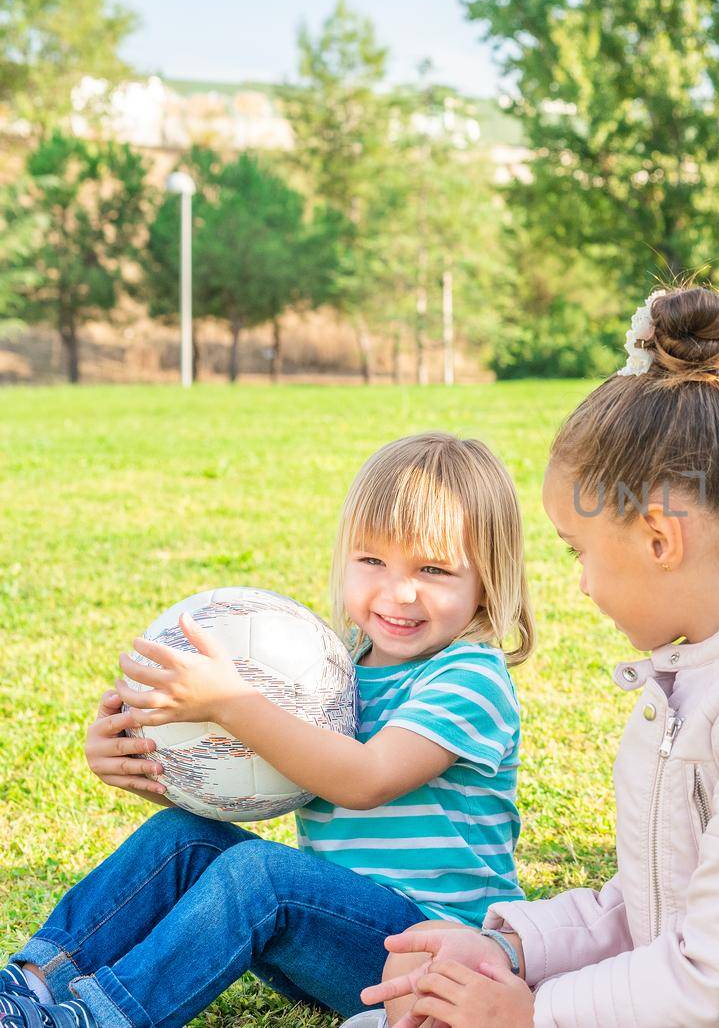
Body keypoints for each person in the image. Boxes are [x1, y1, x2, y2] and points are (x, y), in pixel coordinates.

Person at [358, 287, 719, 1027]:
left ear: (659, 539)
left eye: (581, 551)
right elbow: (651, 902)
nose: (581, 583)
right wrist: (509, 949)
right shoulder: (698, 682)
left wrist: (526, 1015)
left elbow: (711, 982)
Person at [0, 432, 533, 1028]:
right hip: (327, 937)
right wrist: (144, 765)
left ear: (487, 578)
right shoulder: (338, 667)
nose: (398, 591)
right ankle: (33, 986)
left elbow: (365, 780)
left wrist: (231, 701)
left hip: (430, 963)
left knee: (262, 875)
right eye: (372, 560)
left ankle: (94, 1019)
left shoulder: (470, 677)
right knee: (185, 833)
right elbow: (274, 777)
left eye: (433, 568)